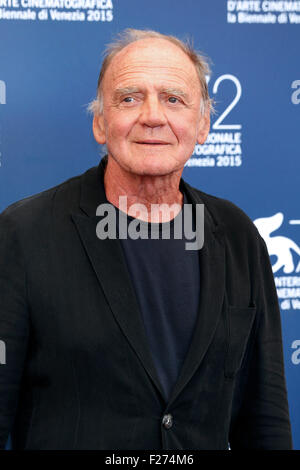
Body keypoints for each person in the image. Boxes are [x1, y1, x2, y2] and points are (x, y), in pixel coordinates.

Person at [0, 29, 293, 450]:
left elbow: (265, 418)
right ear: (101, 123)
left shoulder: (238, 235)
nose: (153, 116)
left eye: (174, 99)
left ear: (204, 124)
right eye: (129, 98)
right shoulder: (23, 233)